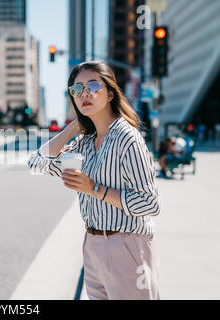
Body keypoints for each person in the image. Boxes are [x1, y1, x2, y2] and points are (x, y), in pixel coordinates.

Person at [27, 61, 160, 300]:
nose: (84, 94)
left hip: (126, 245)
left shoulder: (127, 138)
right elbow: (37, 164)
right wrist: (73, 128)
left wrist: (94, 189)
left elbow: (149, 203)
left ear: (110, 93)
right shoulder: (85, 143)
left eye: (92, 85)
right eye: (77, 89)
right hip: (92, 246)